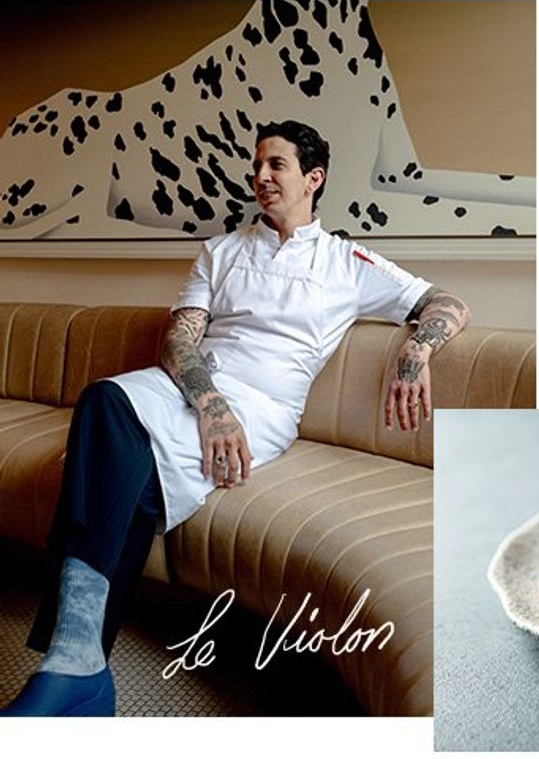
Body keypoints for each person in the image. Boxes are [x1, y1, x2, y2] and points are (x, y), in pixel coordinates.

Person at [1, 119, 470, 716]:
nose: (261, 176)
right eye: (257, 166)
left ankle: (75, 674)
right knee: (105, 403)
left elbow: (447, 302)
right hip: (194, 392)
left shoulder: (347, 262)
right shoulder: (221, 252)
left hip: (264, 410)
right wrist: (210, 405)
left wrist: (418, 346)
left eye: (277, 165)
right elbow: (179, 340)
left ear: (313, 178)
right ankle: (76, 667)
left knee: (129, 474)